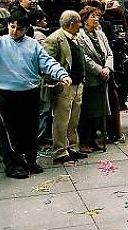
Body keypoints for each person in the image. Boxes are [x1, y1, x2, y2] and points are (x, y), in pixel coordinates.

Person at [0, 14, 72, 178]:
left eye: (20, 28)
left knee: (30, 128)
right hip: (6, 93)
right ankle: (14, 165)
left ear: (27, 29)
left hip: (30, 92)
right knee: (9, 131)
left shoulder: (33, 45)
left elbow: (47, 61)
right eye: (12, 26)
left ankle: (30, 161)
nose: (14, 31)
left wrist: (61, 74)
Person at [43, 11, 90, 164]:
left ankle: (72, 146)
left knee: (74, 118)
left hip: (77, 84)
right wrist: (57, 81)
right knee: (61, 119)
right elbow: (46, 63)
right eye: (79, 23)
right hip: (65, 85)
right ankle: (60, 150)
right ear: (71, 24)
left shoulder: (75, 37)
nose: (81, 25)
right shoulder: (55, 39)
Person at [77, 7, 114, 152]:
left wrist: (107, 68)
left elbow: (109, 53)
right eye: (93, 16)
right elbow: (84, 57)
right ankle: (84, 140)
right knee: (87, 112)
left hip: (103, 77)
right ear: (85, 20)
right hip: (90, 77)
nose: (97, 19)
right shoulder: (79, 36)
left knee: (98, 112)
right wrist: (99, 70)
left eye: (97, 16)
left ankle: (94, 139)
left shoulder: (101, 34)